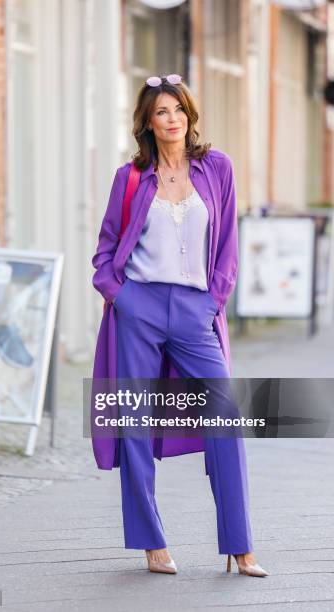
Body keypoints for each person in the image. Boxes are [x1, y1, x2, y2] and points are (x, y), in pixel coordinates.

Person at [91, 74, 268, 577]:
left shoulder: (216, 168)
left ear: (190, 116)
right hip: (139, 308)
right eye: (162, 111)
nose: (172, 119)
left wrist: (213, 300)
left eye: (179, 110)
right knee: (136, 425)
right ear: (147, 121)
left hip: (195, 310)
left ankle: (241, 546)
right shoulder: (130, 177)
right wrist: (120, 296)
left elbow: (228, 244)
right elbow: (105, 250)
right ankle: (151, 542)